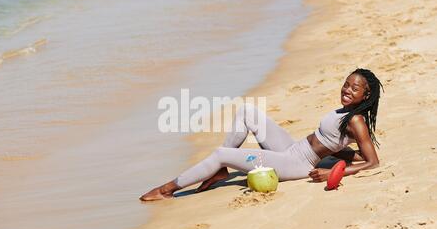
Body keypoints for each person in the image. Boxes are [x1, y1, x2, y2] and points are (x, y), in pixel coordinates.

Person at [140, 68, 384, 201]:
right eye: (346, 84)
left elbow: (373, 161)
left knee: (220, 153)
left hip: (296, 164)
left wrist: (332, 171)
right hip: (292, 148)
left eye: (355, 88)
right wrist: (340, 156)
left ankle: (167, 189)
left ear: (366, 95)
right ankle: (220, 170)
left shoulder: (356, 120)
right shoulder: (346, 111)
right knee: (247, 111)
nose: (347, 90)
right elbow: (341, 145)